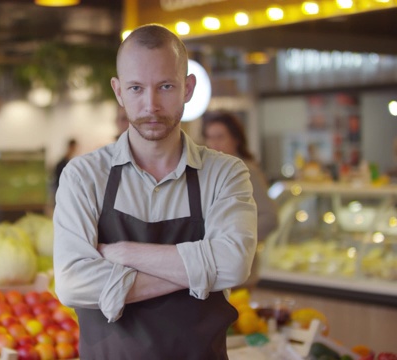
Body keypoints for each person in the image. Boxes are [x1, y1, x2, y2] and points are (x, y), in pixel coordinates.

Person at [53, 24, 257, 359]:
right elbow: (73, 282)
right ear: (118, 92)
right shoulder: (84, 175)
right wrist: (201, 271)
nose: (151, 105)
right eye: (136, 88)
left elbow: (234, 265)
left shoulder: (225, 173)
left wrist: (123, 254)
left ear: (187, 88)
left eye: (165, 86)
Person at [201, 110, 279, 289]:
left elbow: (270, 217)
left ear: (235, 139)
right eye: (210, 137)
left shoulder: (246, 170)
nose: (214, 144)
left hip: (240, 272)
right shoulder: (210, 171)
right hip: (213, 269)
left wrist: (235, 240)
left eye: (220, 137)